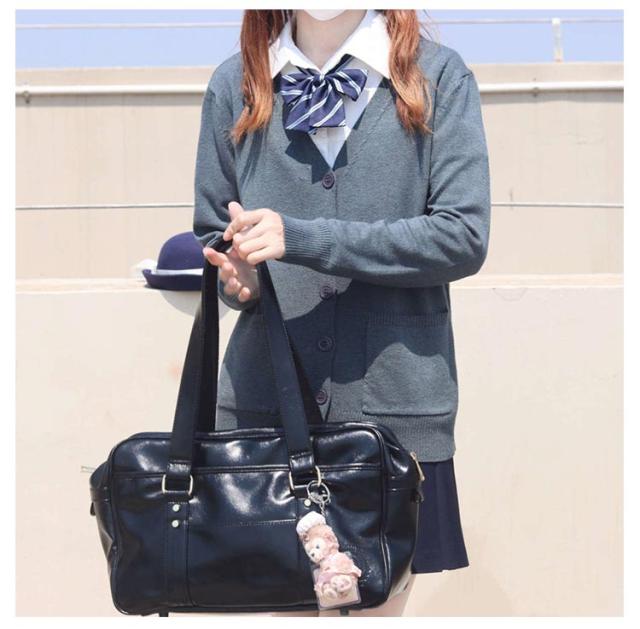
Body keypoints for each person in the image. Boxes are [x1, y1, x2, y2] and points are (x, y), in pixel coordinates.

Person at [193, 8, 490, 617]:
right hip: (267, 410)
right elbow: (215, 237)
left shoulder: (437, 77)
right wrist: (236, 277)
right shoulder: (236, 84)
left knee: (376, 610)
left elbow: (461, 236)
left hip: (393, 409)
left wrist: (304, 238)